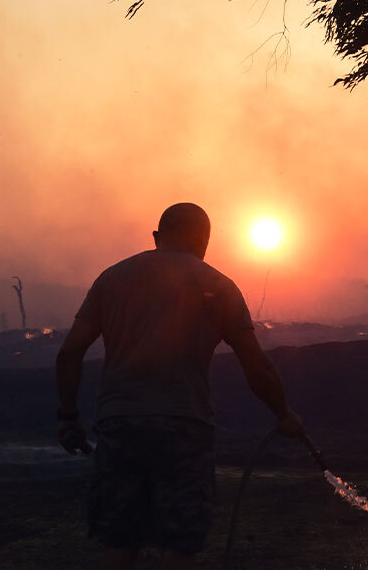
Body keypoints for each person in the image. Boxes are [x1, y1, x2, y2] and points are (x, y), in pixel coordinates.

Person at [55, 202, 306, 570]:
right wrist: (283, 413)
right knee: (179, 543)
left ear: (156, 237)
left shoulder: (111, 279)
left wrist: (68, 416)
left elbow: (70, 352)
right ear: (204, 242)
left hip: (120, 424)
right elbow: (256, 364)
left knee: (121, 540)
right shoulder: (219, 286)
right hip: (184, 427)